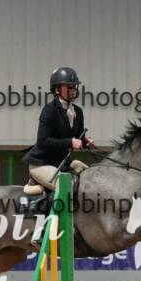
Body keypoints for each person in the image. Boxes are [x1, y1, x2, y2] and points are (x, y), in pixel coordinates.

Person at [23, 67, 96, 195]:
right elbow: (43, 141)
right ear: (57, 89)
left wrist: (85, 142)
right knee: (65, 186)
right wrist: (70, 143)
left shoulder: (78, 111)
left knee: (89, 175)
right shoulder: (49, 110)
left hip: (61, 163)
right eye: (69, 86)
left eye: (74, 86)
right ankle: (56, 209)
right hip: (42, 164)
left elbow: (77, 138)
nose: (73, 90)